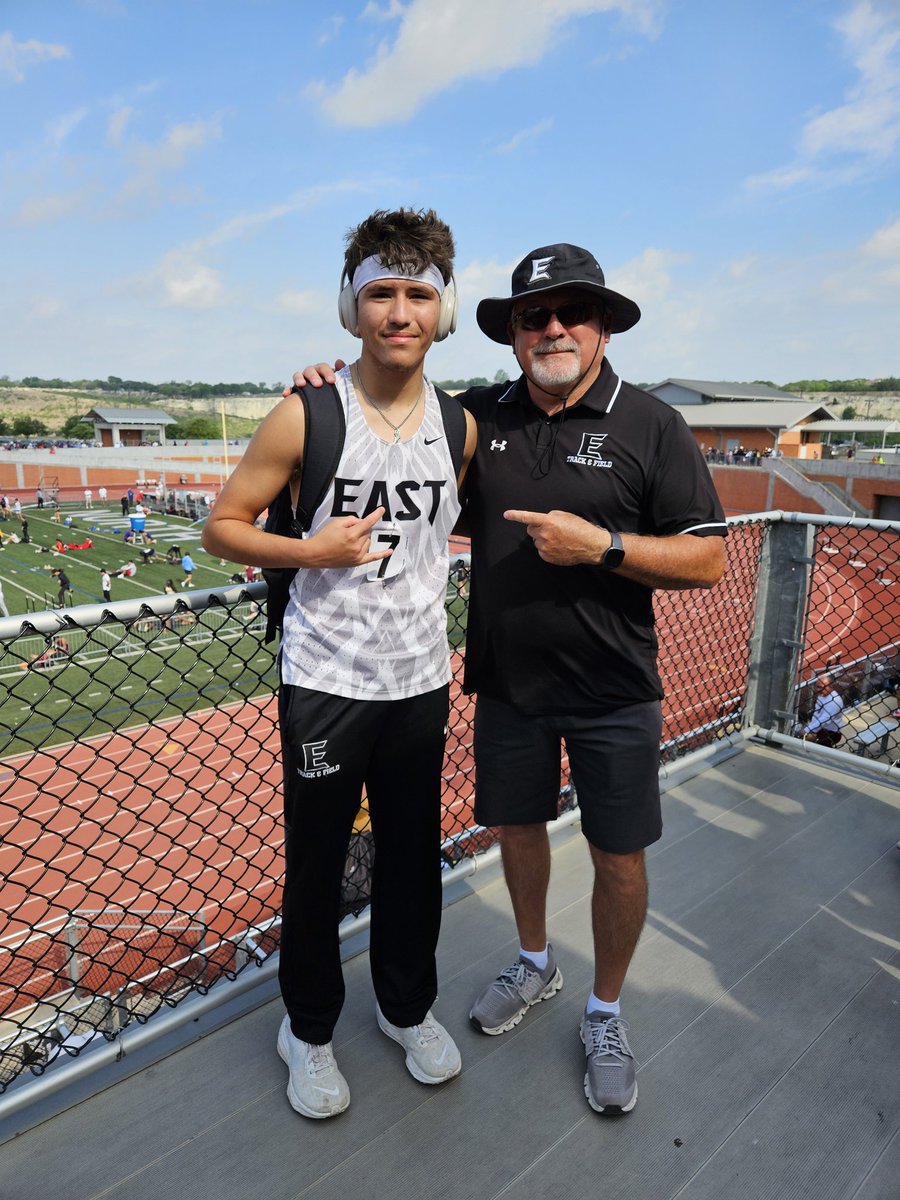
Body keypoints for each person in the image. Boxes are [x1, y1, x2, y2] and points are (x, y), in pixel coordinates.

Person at [295, 241, 727, 1116]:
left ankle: (605, 1011)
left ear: (603, 327)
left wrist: (602, 547)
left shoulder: (652, 423)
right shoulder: (476, 416)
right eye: (534, 316)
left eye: (573, 313)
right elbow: (388, 413)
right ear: (513, 333)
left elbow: (709, 558)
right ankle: (535, 962)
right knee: (518, 832)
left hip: (614, 690)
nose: (553, 328)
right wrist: (324, 389)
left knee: (618, 855)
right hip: (508, 687)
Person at [202, 207, 476, 1121]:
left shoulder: (461, 427)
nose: (400, 312)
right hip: (326, 680)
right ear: (351, 307)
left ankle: (406, 1007)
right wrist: (307, 552)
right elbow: (221, 527)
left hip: (420, 680)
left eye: (418, 295)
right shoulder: (306, 412)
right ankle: (309, 1029)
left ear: (442, 310)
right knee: (317, 865)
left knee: (412, 858)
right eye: (381, 294)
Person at [800, 674, 844, 747]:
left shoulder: (835, 700)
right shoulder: (822, 695)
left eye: (821, 687)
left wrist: (807, 730)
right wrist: (810, 727)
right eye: (817, 687)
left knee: (806, 740)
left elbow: (825, 720)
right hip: (821, 728)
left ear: (831, 687)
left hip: (831, 732)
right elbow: (817, 714)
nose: (818, 690)